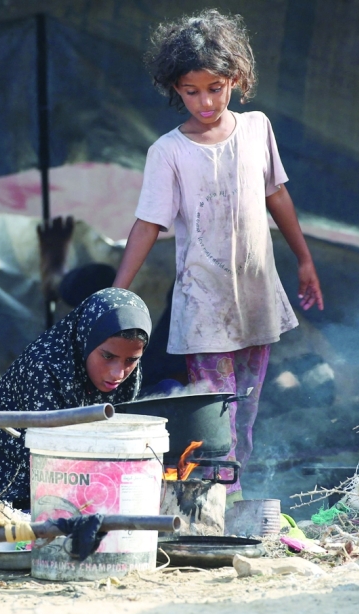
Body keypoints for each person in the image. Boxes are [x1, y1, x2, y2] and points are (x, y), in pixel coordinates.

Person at [112, 10, 324, 502]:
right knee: (215, 412)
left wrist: (305, 259)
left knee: (245, 409)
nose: (205, 101)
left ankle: (232, 494)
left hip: (255, 298)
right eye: (192, 90)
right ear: (175, 89)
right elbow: (148, 223)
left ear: (237, 79)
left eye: (216, 86)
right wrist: (118, 289)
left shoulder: (256, 129)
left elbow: (278, 196)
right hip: (204, 302)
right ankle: (212, 499)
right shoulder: (168, 152)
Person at [0, 288, 152, 508]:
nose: (117, 373)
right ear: (86, 339)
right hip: (15, 490)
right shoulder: (45, 367)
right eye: (107, 356)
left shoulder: (129, 370)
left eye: (131, 360)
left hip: (91, 480)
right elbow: (49, 459)